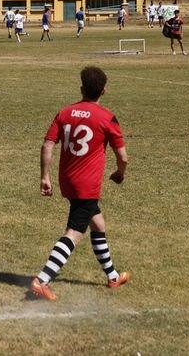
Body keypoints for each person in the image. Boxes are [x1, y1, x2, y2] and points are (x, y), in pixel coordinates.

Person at [29, 66, 130, 301]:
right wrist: (120, 173)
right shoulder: (107, 117)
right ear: (103, 91)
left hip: (67, 180)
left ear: (81, 88)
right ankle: (42, 280)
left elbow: (47, 145)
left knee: (98, 224)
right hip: (87, 185)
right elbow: (123, 157)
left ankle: (113, 276)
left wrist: (45, 176)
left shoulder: (64, 113)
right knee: (74, 233)